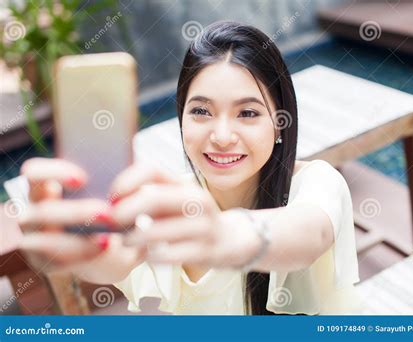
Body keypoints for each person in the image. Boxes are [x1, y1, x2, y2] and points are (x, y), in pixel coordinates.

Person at [17, 21, 360, 315]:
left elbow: (310, 233)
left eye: (248, 113)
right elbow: (113, 260)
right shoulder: (167, 207)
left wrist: (223, 236)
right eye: (201, 111)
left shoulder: (317, 182)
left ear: (280, 123)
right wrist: (73, 252)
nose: (222, 136)